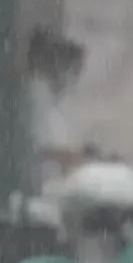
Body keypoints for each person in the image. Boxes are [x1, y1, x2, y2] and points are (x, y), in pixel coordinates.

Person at [23, 26, 86, 196]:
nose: (73, 78)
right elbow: (36, 146)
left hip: (58, 182)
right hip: (43, 183)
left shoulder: (59, 101)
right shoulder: (36, 95)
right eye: (71, 70)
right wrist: (64, 156)